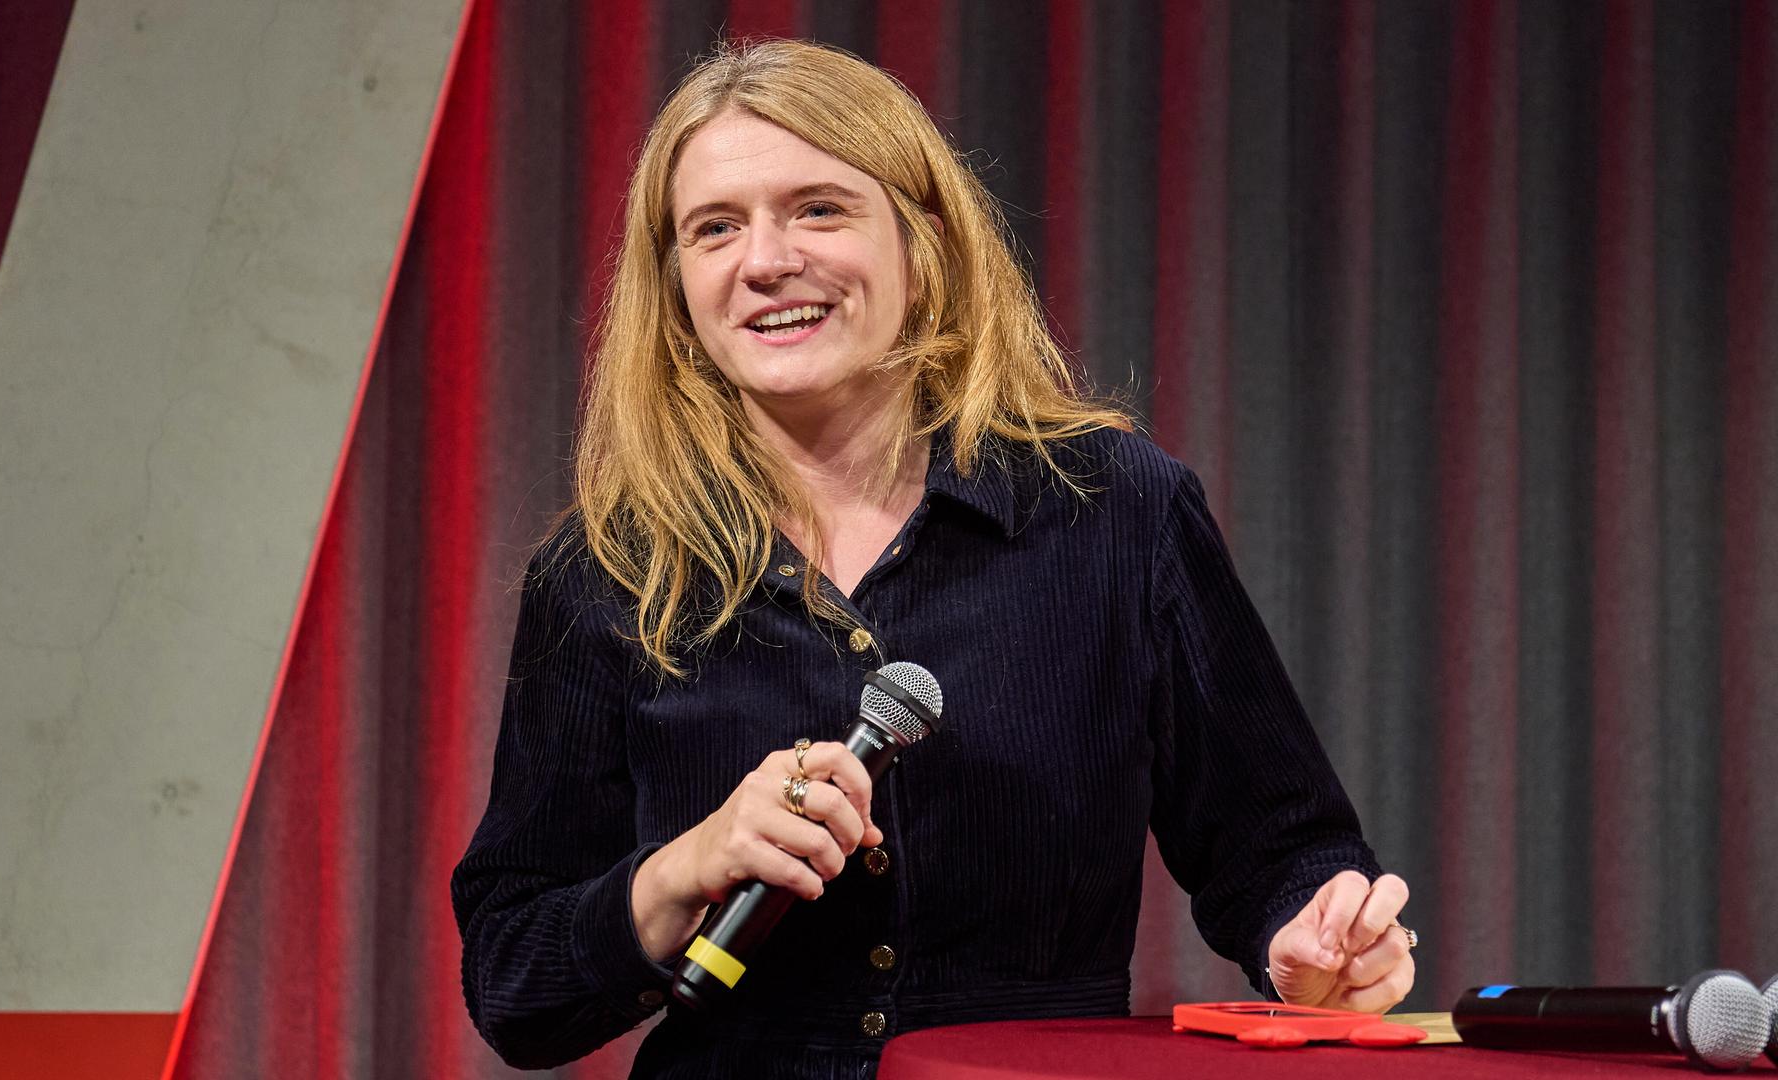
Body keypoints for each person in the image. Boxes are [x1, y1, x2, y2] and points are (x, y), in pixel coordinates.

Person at [451, 38, 1415, 1079]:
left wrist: (1315, 943)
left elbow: (1281, 850)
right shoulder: (607, 573)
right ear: (678, 291)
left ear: (925, 245)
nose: (766, 259)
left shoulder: (1117, 511)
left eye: (818, 208)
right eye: (715, 229)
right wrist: (688, 868)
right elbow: (515, 988)